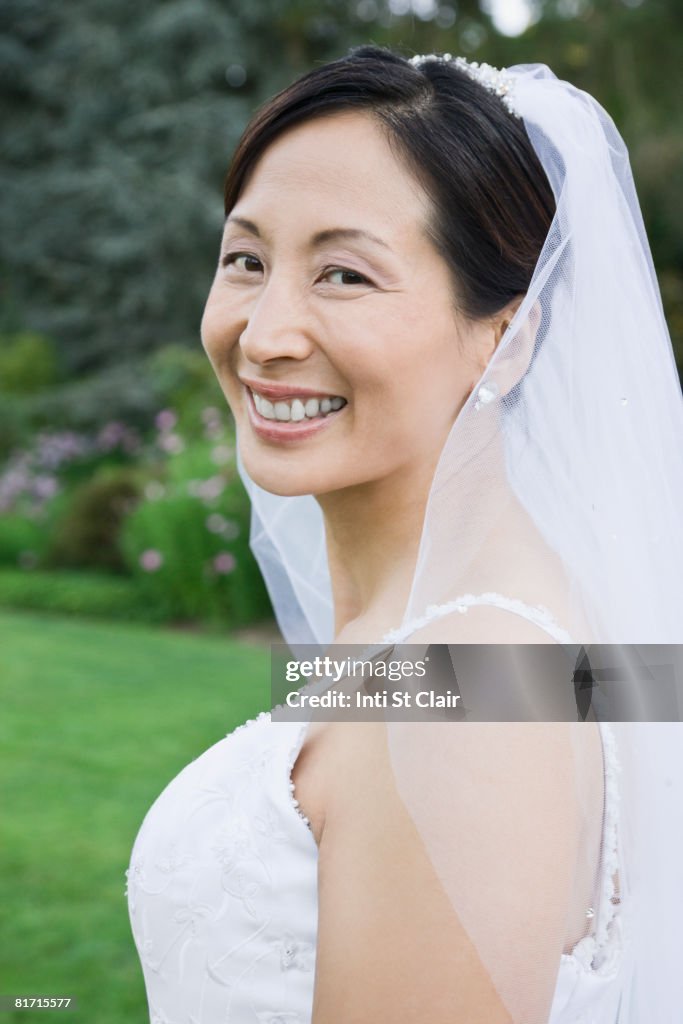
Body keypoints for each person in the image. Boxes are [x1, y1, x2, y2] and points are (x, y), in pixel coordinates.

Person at [126, 48, 683, 1022]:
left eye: (343, 274)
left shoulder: (462, 684)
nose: (263, 334)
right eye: (246, 259)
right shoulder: (467, 635)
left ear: (501, 339)